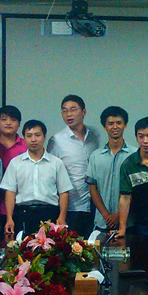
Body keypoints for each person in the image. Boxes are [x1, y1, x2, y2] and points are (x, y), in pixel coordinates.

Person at [0, 120, 73, 236]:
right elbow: (10, 192)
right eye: (29, 136)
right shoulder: (16, 163)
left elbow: (64, 192)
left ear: (44, 137)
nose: (33, 139)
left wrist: (62, 217)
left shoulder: (56, 163)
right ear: (24, 138)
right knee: (22, 246)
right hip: (23, 213)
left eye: (37, 135)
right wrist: (9, 218)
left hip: (50, 213)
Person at [47, 95, 100, 235]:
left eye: (73, 109)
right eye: (64, 111)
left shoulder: (95, 135)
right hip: (71, 206)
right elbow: (51, 173)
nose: (68, 114)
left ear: (84, 112)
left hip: (96, 204)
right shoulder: (56, 140)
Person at [86, 106, 133, 234]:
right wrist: (107, 216)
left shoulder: (134, 155)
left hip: (129, 223)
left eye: (119, 123)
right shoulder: (96, 156)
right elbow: (93, 188)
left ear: (125, 125)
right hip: (102, 222)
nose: (115, 127)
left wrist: (119, 215)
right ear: (104, 127)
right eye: (110, 123)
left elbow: (138, 190)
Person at [0, 105, 28, 227]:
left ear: (19, 123)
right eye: (4, 119)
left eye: (13, 120)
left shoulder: (27, 145)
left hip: (20, 205)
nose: (8, 123)